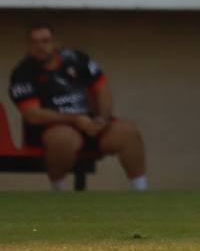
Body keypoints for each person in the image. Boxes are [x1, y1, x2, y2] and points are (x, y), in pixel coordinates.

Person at [9, 23, 148, 191]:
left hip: (90, 124)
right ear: (29, 46)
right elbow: (33, 114)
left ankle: (140, 190)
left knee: (127, 132)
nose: (40, 47)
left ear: (56, 43)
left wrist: (101, 119)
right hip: (49, 130)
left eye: (45, 41)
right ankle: (59, 191)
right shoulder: (23, 73)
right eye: (35, 42)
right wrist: (75, 119)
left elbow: (102, 90)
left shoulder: (77, 59)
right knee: (64, 139)